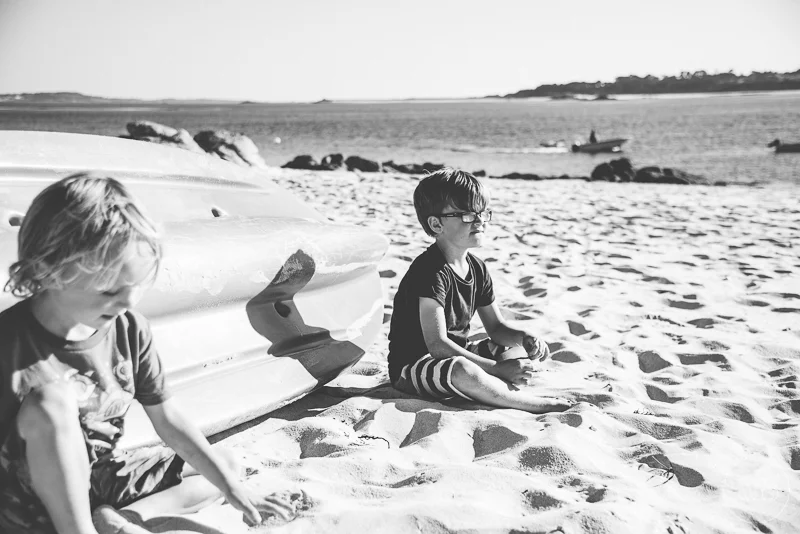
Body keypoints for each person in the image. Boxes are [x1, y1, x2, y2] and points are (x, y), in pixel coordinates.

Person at [0, 174, 300, 534]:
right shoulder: (9, 343)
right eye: (110, 289)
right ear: (46, 272)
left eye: (135, 286)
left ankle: (117, 520)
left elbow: (167, 419)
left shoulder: (128, 328)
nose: (127, 301)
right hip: (26, 499)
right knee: (52, 400)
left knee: (224, 466)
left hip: (100, 475)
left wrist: (233, 489)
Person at [387, 168, 573, 414]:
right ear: (436, 224)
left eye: (483, 213)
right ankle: (529, 403)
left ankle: (494, 387)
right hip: (413, 368)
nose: (480, 221)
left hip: (455, 354)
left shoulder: (477, 268)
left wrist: (524, 337)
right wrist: (495, 369)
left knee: (511, 350)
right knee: (463, 370)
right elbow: (437, 345)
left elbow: (496, 328)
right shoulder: (428, 271)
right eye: (466, 215)